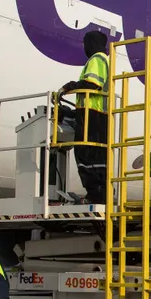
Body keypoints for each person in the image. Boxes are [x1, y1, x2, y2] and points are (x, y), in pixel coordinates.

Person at [57, 30, 110, 204]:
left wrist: (68, 87)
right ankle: (99, 193)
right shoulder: (106, 60)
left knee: (86, 154)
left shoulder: (97, 59)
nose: (83, 46)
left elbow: (92, 84)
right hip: (96, 114)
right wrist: (71, 112)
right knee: (96, 156)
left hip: (92, 115)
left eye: (85, 42)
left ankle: (96, 193)